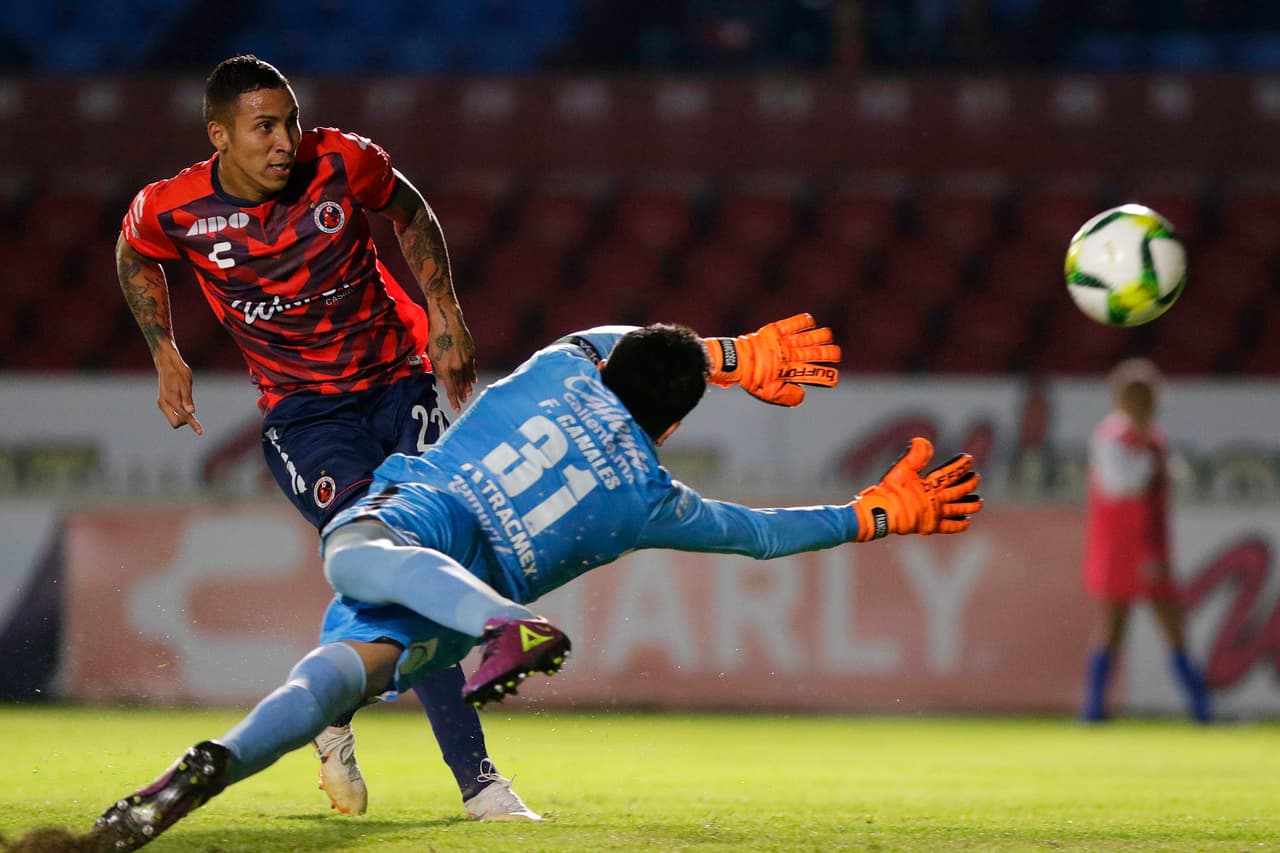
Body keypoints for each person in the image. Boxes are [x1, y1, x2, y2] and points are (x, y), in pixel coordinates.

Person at [85, 317, 983, 851]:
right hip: (457, 606)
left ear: (610, 365)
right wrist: (872, 515)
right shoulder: (651, 499)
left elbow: (609, 337)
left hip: (423, 521)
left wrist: (731, 352)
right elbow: (758, 535)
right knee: (344, 672)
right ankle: (214, 763)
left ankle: (492, 627)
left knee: (345, 564)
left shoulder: (562, 363)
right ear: (670, 426)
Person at [113, 54, 535, 820]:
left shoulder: (341, 161)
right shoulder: (175, 207)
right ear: (219, 136)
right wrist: (163, 350)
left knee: (422, 563)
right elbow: (134, 249)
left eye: (291, 122)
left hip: (398, 383)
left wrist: (445, 314)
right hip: (305, 416)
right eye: (263, 127)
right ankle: (478, 783)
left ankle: (333, 706)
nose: (285, 141)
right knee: (398, 565)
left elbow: (411, 212)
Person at [1080, 358, 1212, 723]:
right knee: (1113, 626)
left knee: (1170, 625)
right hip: (1120, 545)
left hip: (1149, 545)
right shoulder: (1112, 437)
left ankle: (1201, 708)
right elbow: (1119, 485)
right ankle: (1094, 709)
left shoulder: (1153, 439)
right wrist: (1146, 458)